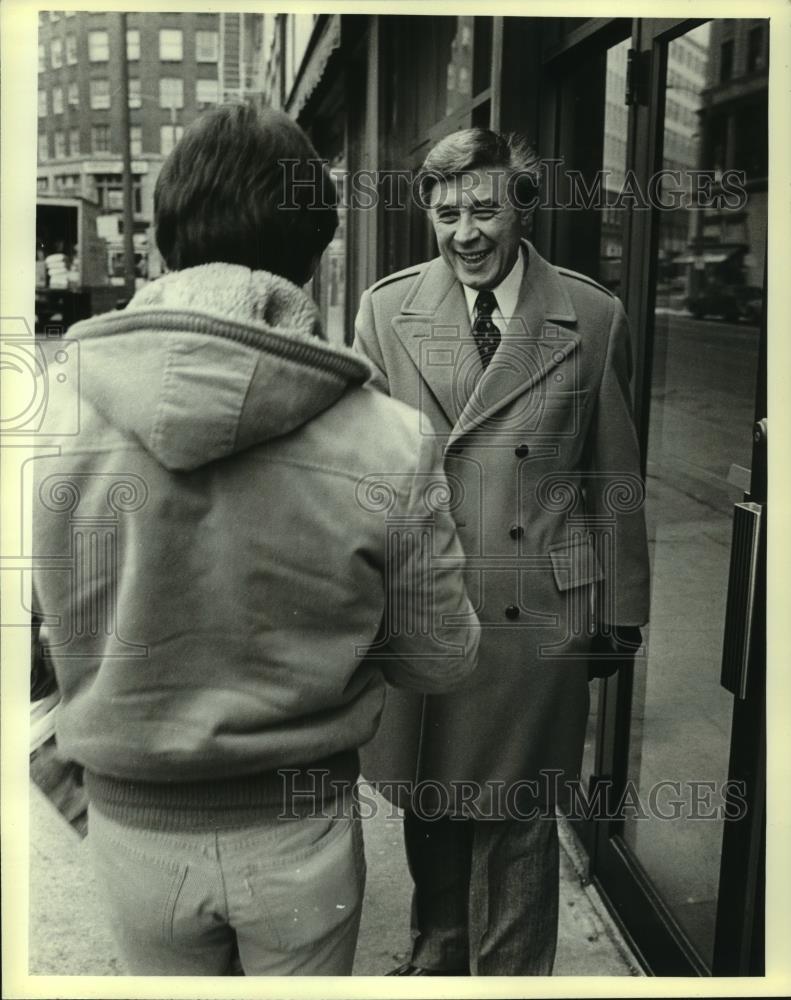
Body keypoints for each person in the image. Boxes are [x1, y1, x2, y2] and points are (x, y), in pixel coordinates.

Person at [31, 104, 480, 977]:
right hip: (299, 829)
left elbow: (44, 624)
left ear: (162, 242)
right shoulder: (388, 439)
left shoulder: (55, 413)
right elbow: (440, 658)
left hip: (132, 832)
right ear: (315, 252)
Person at [353, 127, 650, 976]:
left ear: (521, 206)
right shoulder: (385, 309)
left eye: (483, 208)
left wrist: (621, 614)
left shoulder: (590, 316)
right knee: (432, 801)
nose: (465, 233)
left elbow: (615, 475)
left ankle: (513, 979)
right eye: (446, 213)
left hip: (538, 616)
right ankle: (438, 954)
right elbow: (363, 469)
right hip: (428, 607)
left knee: (518, 822)